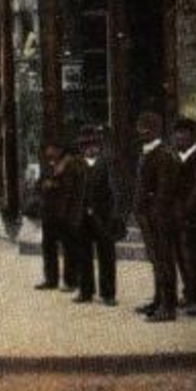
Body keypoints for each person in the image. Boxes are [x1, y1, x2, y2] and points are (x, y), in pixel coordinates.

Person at [132, 111, 180, 322]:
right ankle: (158, 300)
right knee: (156, 260)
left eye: (146, 128)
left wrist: (152, 212)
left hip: (159, 218)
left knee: (164, 260)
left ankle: (168, 307)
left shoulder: (163, 155)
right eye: (141, 128)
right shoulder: (147, 153)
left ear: (156, 130)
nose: (141, 132)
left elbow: (165, 191)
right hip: (148, 217)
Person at [71, 126, 118, 307]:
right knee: (83, 254)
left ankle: (108, 293)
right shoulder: (77, 165)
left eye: (93, 145)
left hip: (103, 217)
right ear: (81, 148)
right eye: (86, 146)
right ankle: (85, 290)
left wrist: (112, 215)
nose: (90, 149)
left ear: (99, 145)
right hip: (82, 217)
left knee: (106, 255)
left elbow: (115, 192)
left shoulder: (107, 164)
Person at [172, 118, 196, 317]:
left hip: (194, 215)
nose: (179, 136)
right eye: (177, 133)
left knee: (193, 257)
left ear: (192, 135)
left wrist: (186, 209)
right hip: (178, 215)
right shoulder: (175, 157)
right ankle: (188, 293)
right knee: (181, 255)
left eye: (183, 133)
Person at [34, 141, 78, 291]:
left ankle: (71, 282)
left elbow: (71, 187)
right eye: (47, 149)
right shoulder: (48, 166)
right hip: (49, 213)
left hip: (64, 212)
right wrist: (42, 185)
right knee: (48, 246)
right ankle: (50, 280)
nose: (48, 152)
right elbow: (38, 185)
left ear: (59, 149)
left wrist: (53, 185)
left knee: (69, 247)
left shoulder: (69, 164)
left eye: (51, 148)